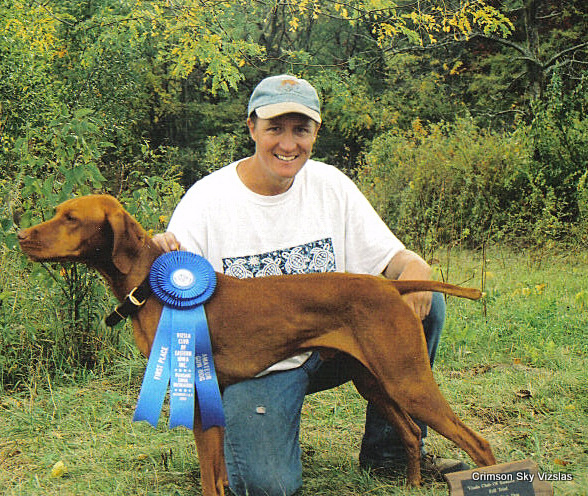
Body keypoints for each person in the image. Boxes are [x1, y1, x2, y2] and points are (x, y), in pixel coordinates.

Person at [152, 74, 469, 495]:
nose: (288, 144)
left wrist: (415, 264)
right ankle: (247, 442)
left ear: (316, 132)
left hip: (332, 345)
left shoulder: (331, 185)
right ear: (251, 128)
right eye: (274, 129)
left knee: (416, 300)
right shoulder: (205, 201)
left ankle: (390, 453)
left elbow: (391, 260)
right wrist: (159, 256)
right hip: (260, 368)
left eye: (300, 130)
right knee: (269, 487)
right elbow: (176, 294)